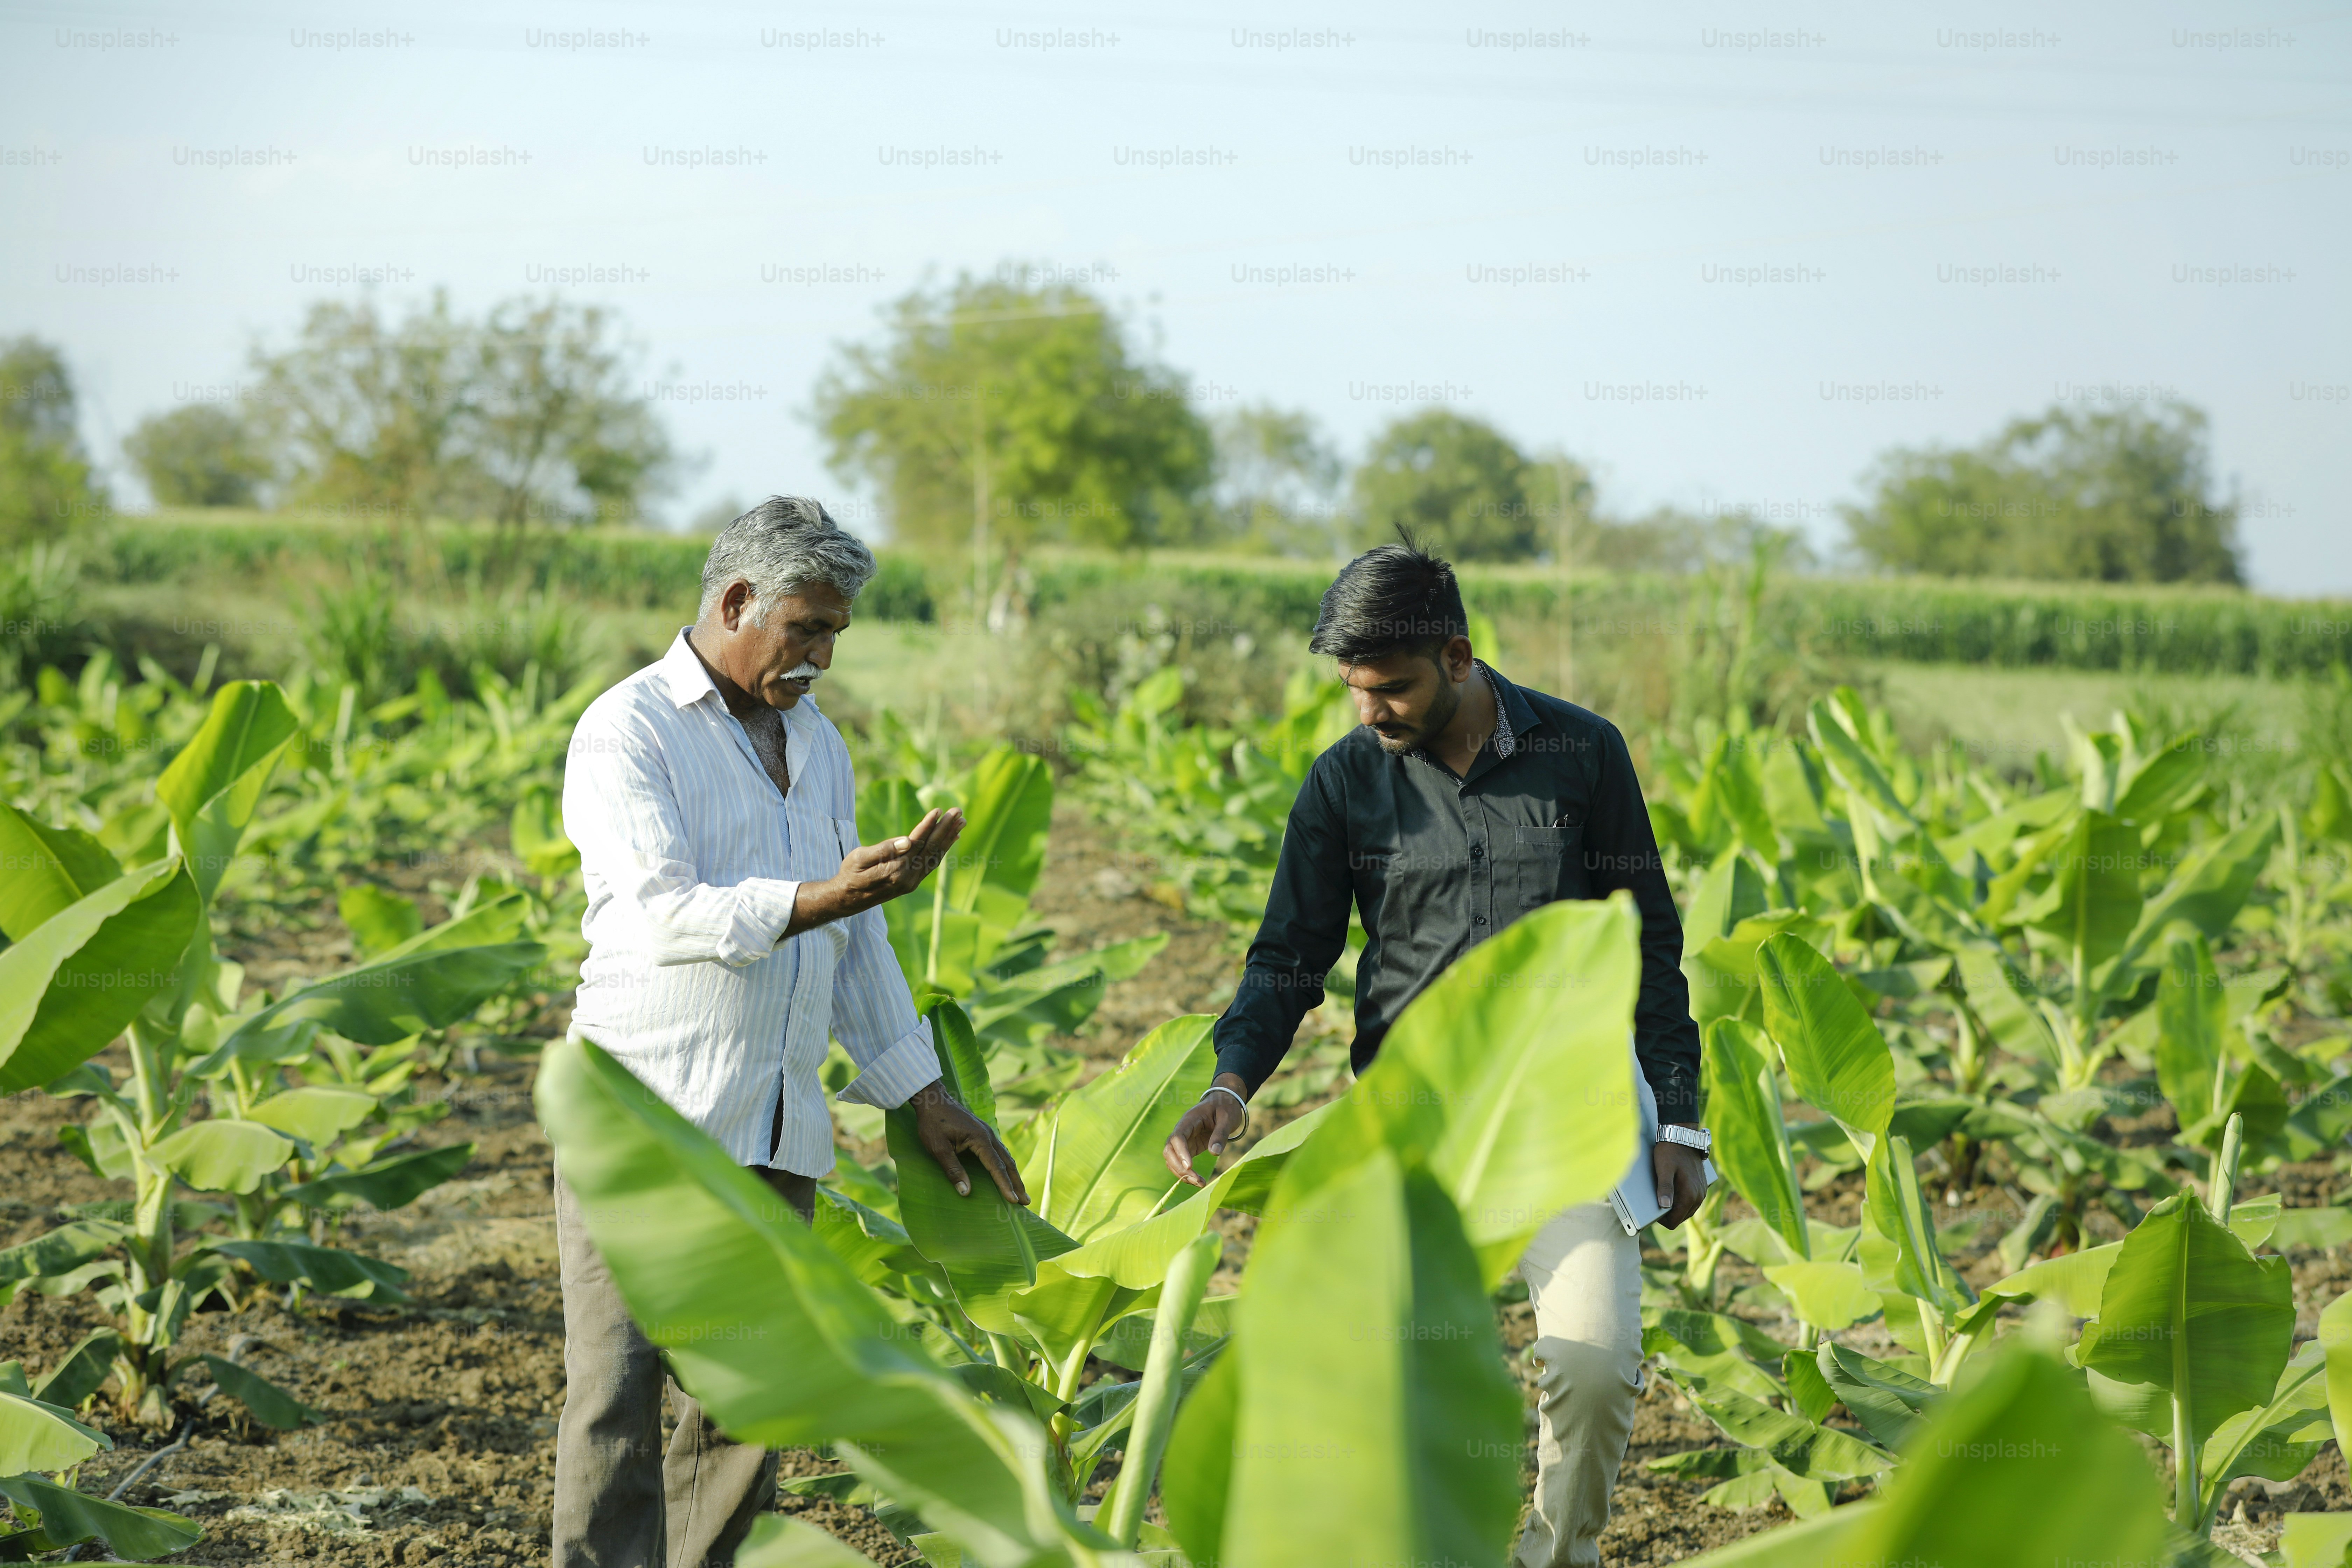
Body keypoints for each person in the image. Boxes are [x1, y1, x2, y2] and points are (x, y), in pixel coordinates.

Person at [1162, 535, 1709, 1568]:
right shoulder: (1344, 784)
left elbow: (1648, 942)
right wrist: (1232, 1085)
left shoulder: (1584, 754)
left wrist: (1679, 1118)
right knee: (1371, 1387)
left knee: (1594, 1368)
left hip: (1565, 1121)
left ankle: (1555, 1557)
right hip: (1406, 1135)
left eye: (1393, 689)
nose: (1371, 712)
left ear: (1458, 658)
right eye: (1355, 691)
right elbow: (1290, 958)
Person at [556, 496, 1028, 1568]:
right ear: (735, 602)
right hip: (648, 1123)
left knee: (747, 1416)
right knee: (615, 1401)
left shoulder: (817, 745)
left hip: (775, 1131)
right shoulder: (628, 729)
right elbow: (659, 914)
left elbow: (858, 947)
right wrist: (819, 896)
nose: (822, 656)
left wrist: (923, 1094)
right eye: (807, 628)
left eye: (836, 635)